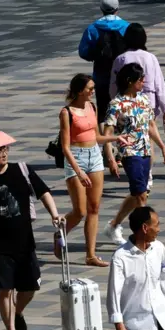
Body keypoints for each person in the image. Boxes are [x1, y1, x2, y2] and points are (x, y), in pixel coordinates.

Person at [0, 145, 64, 330]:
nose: (4, 154)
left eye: (5, 149)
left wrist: (54, 214)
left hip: (24, 242)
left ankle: (18, 312)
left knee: (31, 286)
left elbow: (44, 193)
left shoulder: (22, 170)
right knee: (5, 290)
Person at [57, 73, 129, 266]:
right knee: (79, 211)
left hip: (94, 156)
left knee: (94, 207)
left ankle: (90, 255)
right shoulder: (67, 112)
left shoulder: (92, 106)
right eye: (90, 88)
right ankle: (60, 232)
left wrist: (115, 139)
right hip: (76, 157)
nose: (93, 91)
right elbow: (65, 146)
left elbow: (96, 136)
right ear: (80, 91)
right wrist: (78, 171)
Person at [102, 63, 165, 243]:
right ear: (130, 81)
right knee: (140, 195)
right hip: (129, 153)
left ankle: (113, 225)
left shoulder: (143, 99)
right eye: (141, 79)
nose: (144, 81)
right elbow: (107, 133)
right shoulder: (116, 104)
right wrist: (110, 158)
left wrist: (162, 146)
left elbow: (150, 126)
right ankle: (145, 235)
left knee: (140, 193)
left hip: (146, 151)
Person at [106, 206, 165, 330]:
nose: (159, 229)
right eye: (157, 224)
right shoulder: (121, 257)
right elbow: (113, 294)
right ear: (145, 228)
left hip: (161, 320)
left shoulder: (159, 248)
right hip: (135, 326)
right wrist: (120, 327)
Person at [110, 23, 165, 193]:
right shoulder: (150, 57)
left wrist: (114, 101)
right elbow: (160, 84)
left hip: (125, 104)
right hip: (147, 101)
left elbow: (113, 85)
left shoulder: (121, 58)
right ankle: (147, 174)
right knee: (148, 138)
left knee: (127, 138)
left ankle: (135, 172)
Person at [78, 0, 130, 130]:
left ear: (101, 8)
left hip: (101, 76)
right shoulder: (126, 27)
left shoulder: (92, 29)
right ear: (117, 8)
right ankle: (123, 141)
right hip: (123, 76)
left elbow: (83, 52)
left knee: (103, 112)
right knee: (124, 108)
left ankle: (108, 148)